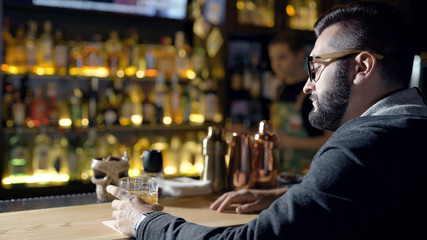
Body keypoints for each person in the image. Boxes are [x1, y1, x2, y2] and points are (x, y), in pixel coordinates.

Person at [107, 1, 427, 239]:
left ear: (362, 67)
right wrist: (288, 196)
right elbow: (364, 195)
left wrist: (144, 221)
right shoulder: (410, 129)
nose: (307, 84)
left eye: (316, 68)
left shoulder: (358, 147)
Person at [267, 31, 332, 174]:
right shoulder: (279, 89)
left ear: (299, 55)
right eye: (272, 58)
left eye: (282, 57)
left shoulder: (316, 90)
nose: (276, 65)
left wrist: (289, 142)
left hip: (308, 176)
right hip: (280, 173)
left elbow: (330, 140)